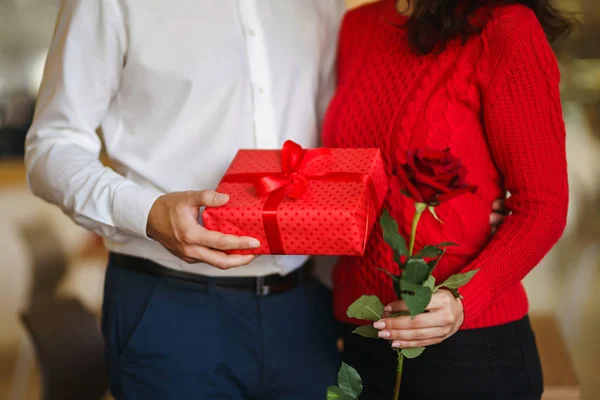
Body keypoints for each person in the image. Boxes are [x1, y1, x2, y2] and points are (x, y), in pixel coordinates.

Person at [25, 1, 346, 398]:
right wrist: (147, 212)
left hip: (303, 309)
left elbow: (330, 138)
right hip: (169, 309)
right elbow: (52, 145)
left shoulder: (323, 5)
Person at [322, 0, 570, 399]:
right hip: (361, 340)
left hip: (469, 349)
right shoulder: (356, 25)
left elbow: (544, 206)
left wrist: (462, 298)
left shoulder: (504, 27)